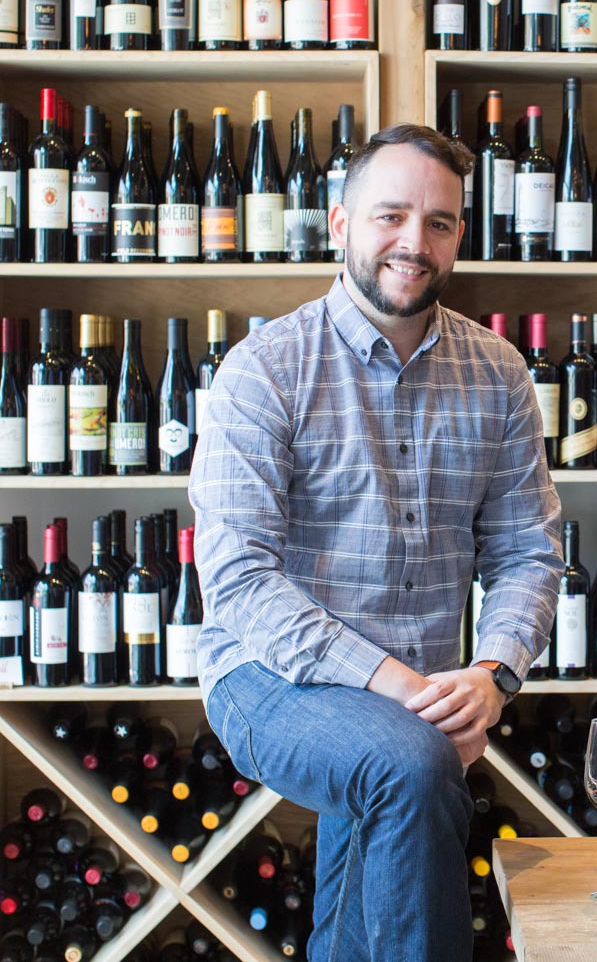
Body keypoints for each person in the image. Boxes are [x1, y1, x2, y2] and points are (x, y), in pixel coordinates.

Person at [189, 123, 562, 959]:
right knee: (407, 763)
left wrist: (492, 674)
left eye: (439, 222)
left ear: (459, 234)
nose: (414, 242)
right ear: (340, 223)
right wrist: (403, 690)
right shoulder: (264, 368)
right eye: (390, 215)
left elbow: (527, 551)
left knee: (396, 776)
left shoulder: (499, 371)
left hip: (422, 693)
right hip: (267, 674)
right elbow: (240, 579)